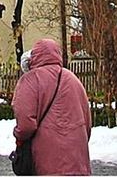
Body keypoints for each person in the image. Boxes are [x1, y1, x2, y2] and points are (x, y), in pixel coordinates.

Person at [11, 38, 91, 176]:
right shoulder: (74, 79)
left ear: (34, 58)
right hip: (77, 160)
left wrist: (18, 137)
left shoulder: (30, 80)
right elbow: (87, 123)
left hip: (45, 159)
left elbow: (25, 125)